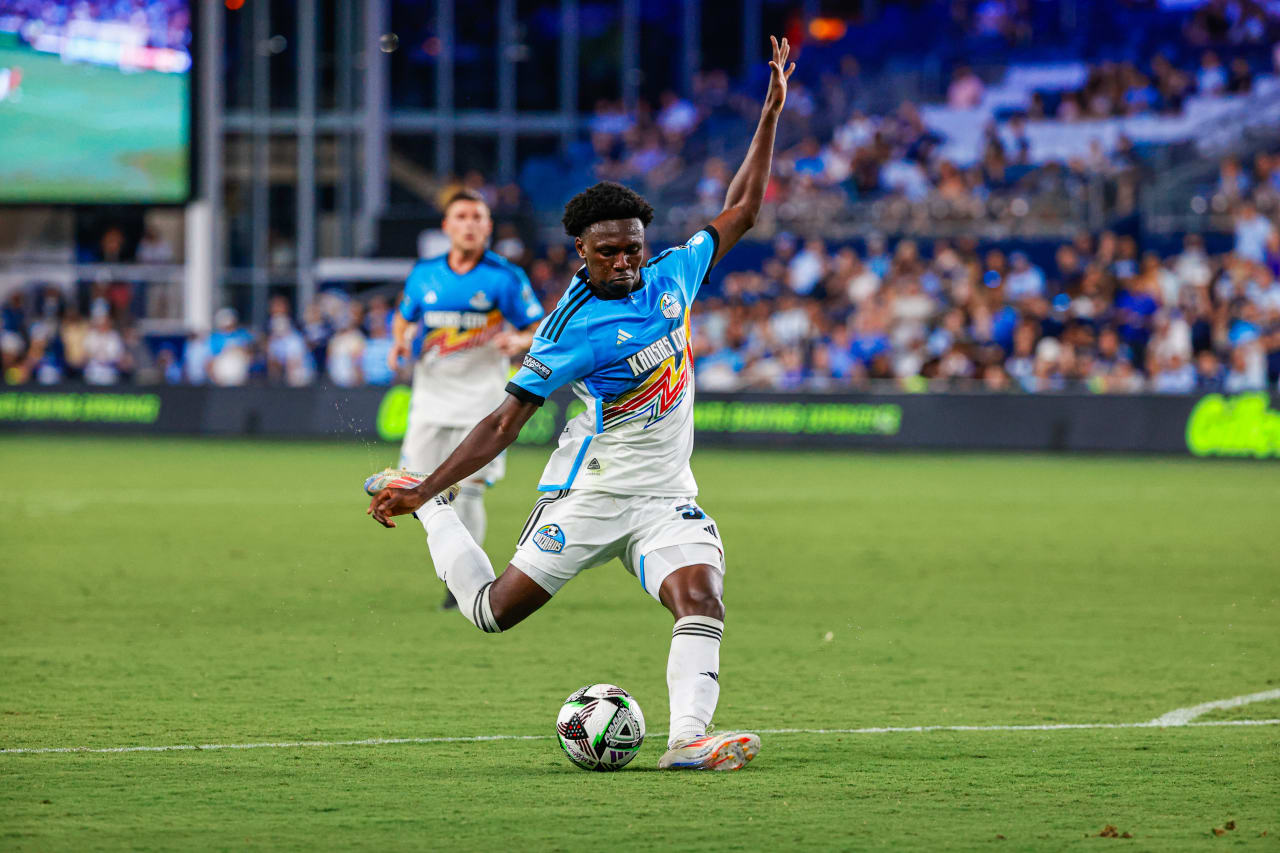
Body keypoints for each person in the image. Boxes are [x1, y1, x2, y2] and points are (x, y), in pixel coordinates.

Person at [366, 36, 797, 772]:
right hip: (591, 491)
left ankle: (687, 740)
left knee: (702, 599)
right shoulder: (570, 331)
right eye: (608, 253)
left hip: (664, 494)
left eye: (632, 246)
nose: (624, 262)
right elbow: (506, 421)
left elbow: (744, 208)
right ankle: (434, 512)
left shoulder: (674, 275)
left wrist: (770, 113)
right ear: (581, 253)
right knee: (492, 613)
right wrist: (430, 489)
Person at [387, 188, 545, 609]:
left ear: (489, 226)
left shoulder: (505, 277)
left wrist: (520, 338)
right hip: (431, 399)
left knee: (470, 491)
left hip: (483, 400)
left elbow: (538, 325)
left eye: (478, 217)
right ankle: (454, 565)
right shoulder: (425, 274)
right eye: (462, 216)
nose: (470, 224)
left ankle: (464, 586)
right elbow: (403, 318)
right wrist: (398, 343)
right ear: (447, 226)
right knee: (418, 490)